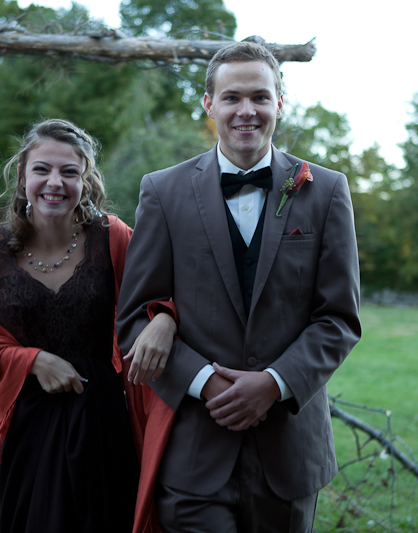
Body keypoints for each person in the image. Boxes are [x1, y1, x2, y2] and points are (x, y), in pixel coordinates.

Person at [116, 41, 362, 532]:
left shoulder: (326, 191)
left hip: (289, 454)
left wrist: (273, 384)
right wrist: (208, 385)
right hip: (194, 454)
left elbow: (339, 319)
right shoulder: (162, 191)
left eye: (259, 97)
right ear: (209, 103)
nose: (246, 110)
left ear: (280, 103)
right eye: (231, 97)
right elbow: (133, 320)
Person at [0, 118, 177, 532]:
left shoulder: (113, 237)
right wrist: (33, 360)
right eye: (42, 169)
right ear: (22, 177)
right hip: (26, 424)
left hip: (101, 418)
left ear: (85, 182)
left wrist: (164, 319)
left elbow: (163, 290)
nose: (54, 182)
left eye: (69, 172)